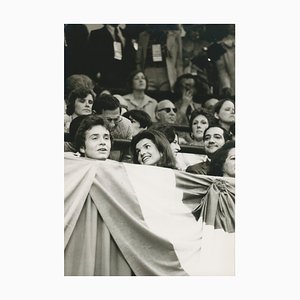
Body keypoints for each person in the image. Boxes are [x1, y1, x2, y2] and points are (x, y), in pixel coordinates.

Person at [136, 24, 183, 91]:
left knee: (165, 98)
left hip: (167, 72)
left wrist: (180, 78)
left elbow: (179, 60)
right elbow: (138, 60)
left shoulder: (174, 35)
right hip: (148, 72)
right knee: (150, 98)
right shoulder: (143, 36)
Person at [87, 24, 136, 89]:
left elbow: (131, 56)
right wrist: (98, 74)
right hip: (106, 79)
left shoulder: (126, 33)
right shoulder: (96, 34)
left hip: (125, 78)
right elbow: (92, 57)